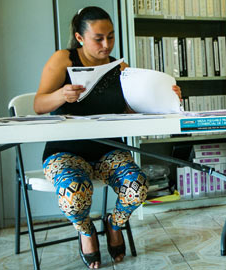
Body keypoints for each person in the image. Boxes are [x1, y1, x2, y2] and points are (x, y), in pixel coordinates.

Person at [34, 6, 181, 269]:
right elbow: (38, 104)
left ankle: (115, 224)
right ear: (80, 38)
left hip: (108, 151)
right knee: (74, 194)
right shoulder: (63, 60)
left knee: (137, 188)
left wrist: (167, 97)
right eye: (98, 38)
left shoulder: (119, 67)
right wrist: (61, 95)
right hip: (64, 152)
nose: (106, 44)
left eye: (110, 37)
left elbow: (132, 108)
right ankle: (87, 230)